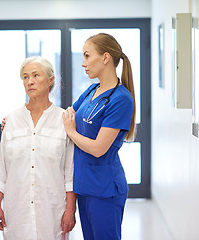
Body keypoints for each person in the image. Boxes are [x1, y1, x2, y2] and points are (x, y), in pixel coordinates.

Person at [0, 56, 76, 240]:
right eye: (26, 77)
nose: (30, 81)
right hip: (16, 210)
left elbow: (70, 173)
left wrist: (70, 209)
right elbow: (2, 170)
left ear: (50, 80)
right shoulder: (11, 120)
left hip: (52, 211)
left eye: (36, 75)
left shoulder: (64, 120)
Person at [62, 33, 136, 240]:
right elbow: (66, 116)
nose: (83, 63)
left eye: (87, 56)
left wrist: (71, 132)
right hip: (84, 185)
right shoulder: (92, 90)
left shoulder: (121, 99)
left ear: (105, 58)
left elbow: (98, 148)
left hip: (105, 189)